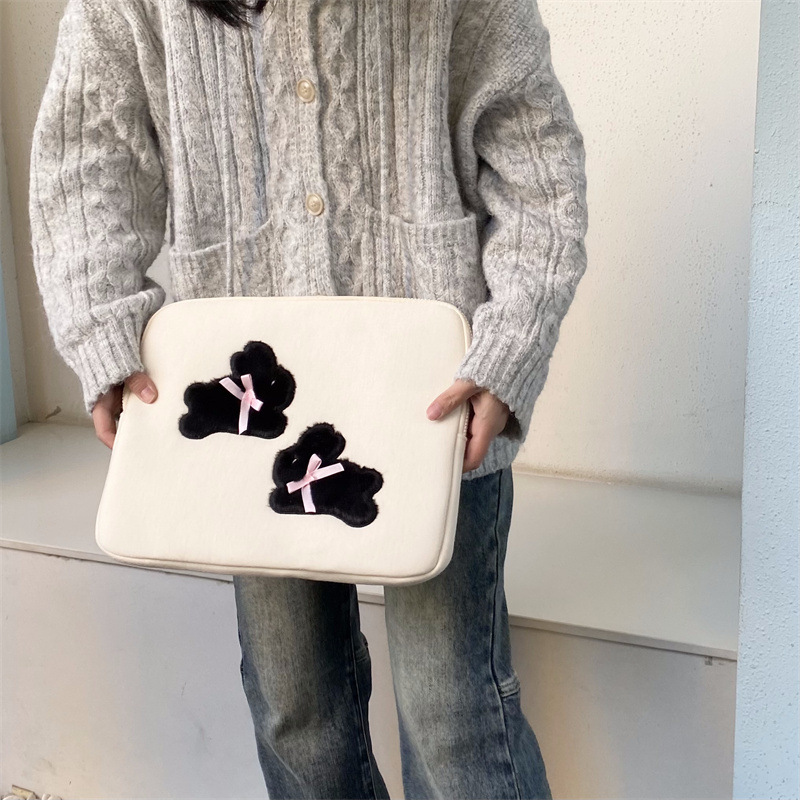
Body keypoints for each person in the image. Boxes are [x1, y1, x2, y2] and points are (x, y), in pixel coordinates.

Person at [28, 0, 589, 796]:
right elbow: (86, 159)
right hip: (250, 422)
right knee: (296, 710)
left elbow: (538, 162)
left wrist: (511, 349)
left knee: (454, 714)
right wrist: (101, 327)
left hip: (437, 407)